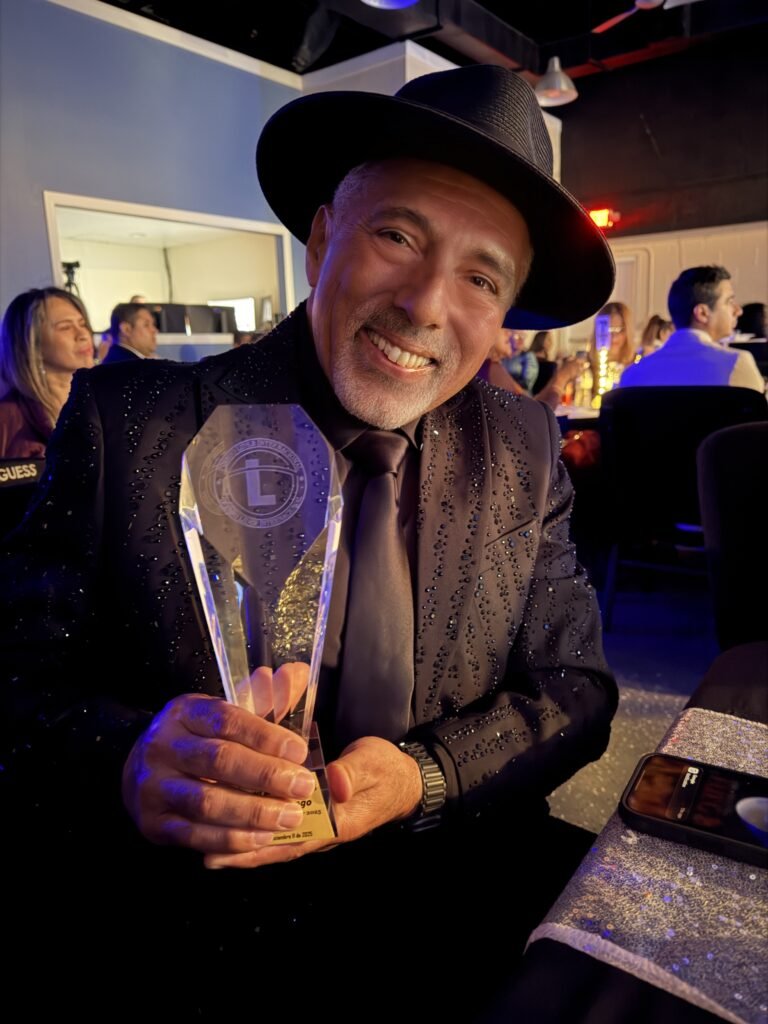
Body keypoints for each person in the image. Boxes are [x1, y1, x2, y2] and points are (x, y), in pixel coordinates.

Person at [1, 66, 617, 1014]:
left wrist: (424, 776)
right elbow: (17, 682)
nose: (426, 303)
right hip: (195, 940)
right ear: (323, 237)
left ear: (503, 311)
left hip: (460, 921)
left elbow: (574, 689)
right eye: (397, 236)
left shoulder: (525, 448)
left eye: (480, 277)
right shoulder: (132, 423)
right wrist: (126, 759)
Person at [619, 266, 764, 392]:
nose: (738, 311)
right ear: (702, 313)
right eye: (729, 301)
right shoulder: (736, 363)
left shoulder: (632, 375)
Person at [0, 286, 94, 458]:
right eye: (65, 327)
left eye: (82, 324)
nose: (83, 334)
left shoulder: (106, 400)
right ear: (32, 344)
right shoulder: (7, 419)